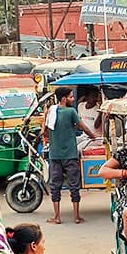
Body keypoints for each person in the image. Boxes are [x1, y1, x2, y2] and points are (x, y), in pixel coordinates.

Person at [46, 88, 98, 225]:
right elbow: (83, 127)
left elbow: (44, 131)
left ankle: (57, 217)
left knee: (55, 186)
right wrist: (93, 137)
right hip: (70, 154)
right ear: (64, 98)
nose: (73, 99)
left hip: (55, 155)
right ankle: (76, 217)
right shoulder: (71, 112)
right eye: (70, 97)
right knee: (74, 185)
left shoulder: (51, 112)